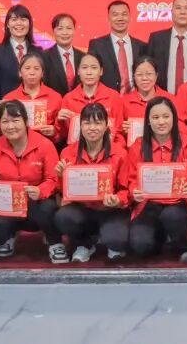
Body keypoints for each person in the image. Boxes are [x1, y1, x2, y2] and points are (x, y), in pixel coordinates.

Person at [0, 101, 66, 262]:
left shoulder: (45, 145)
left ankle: (55, 242)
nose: (10, 126)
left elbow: (53, 179)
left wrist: (40, 191)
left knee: (47, 208)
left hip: (37, 202)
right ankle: (9, 236)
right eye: (5, 121)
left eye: (15, 120)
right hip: (8, 204)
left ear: (26, 122)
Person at [127, 96, 187, 261]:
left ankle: (185, 248)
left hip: (179, 202)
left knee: (172, 216)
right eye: (155, 117)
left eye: (166, 116)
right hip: (149, 203)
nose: (161, 122)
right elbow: (131, 179)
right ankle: (160, 238)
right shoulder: (138, 147)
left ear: (174, 118)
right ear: (148, 121)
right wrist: (134, 191)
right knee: (140, 245)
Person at [53, 102, 131, 262]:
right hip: (83, 209)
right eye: (87, 123)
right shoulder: (68, 153)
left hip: (110, 210)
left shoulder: (120, 154)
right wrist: (61, 176)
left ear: (106, 126)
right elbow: (62, 192)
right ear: (80, 126)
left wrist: (117, 200)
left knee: (116, 240)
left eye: (98, 123)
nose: (92, 128)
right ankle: (85, 244)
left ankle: (110, 240)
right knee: (63, 217)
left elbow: (126, 190)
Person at [58, 53, 125, 146]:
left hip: (108, 149)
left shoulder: (113, 96)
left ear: (101, 71)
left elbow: (119, 130)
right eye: (84, 67)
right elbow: (63, 135)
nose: (89, 72)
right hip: (77, 150)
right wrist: (60, 122)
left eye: (94, 67)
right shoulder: (68, 99)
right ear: (78, 71)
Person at [0, 51, 63, 143]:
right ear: (20, 73)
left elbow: (62, 133)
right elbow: (2, 130)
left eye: (36, 68)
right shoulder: (9, 98)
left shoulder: (55, 97)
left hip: (46, 146)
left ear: (42, 73)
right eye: (27, 68)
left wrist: (54, 131)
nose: (32, 72)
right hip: (16, 147)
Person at [87, 0, 148, 93]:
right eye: (115, 14)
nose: (120, 18)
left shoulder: (142, 46)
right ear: (108, 19)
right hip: (107, 97)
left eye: (124, 14)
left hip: (136, 97)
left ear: (130, 17)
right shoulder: (96, 45)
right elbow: (91, 73)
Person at [0, 4, 38, 101]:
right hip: (6, 106)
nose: (19, 23)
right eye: (14, 19)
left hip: (33, 104)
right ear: (7, 24)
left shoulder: (38, 51)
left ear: (29, 24)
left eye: (23, 19)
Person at [119, 56, 172, 142]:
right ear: (134, 76)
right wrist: (123, 131)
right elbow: (117, 135)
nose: (144, 78)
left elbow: (178, 128)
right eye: (139, 74)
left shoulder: (169, 99)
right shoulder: (123, 102)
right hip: (134, 148)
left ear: (156, 75)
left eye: (149, 74)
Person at [43, 13, 85, 97]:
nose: (65, 32)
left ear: (74, 30)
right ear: (53, 31)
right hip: (53, 103)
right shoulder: (44, 57)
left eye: (69, 28)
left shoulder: (83, 57)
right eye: (60, 29)